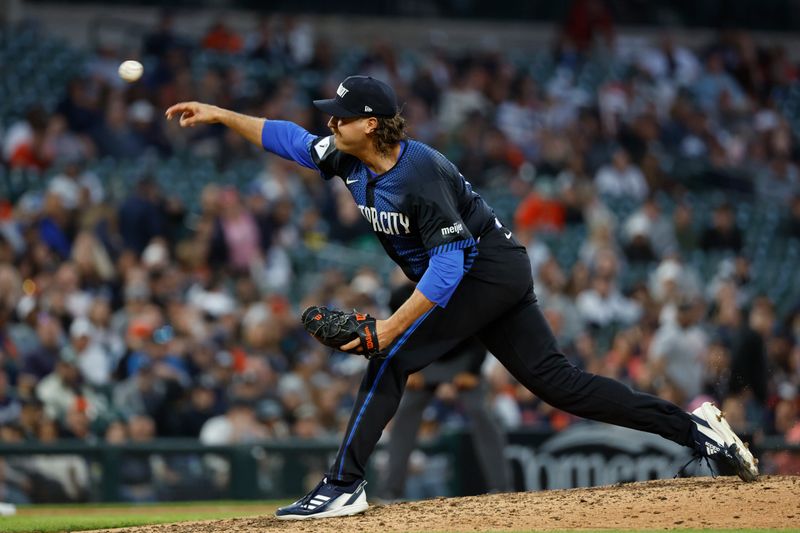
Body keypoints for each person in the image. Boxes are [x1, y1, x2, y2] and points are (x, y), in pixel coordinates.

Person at [166, 75, 759, 520]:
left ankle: (343, 484)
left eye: (341, 117)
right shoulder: (347, 157)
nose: (330, 123)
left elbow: (449, 268)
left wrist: (392, 328)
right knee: (561, 384)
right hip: (485, 273)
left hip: (484, 273)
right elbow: (288, 139)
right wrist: (220, 114)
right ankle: (699, 431)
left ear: (370, 124)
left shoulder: (416, 173)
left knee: (389, 357)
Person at [381, 282, 509, 501]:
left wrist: (472, 369)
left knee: (481, 412)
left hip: (463, 359)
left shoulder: (464, 290)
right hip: (424, 361)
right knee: (404, 414)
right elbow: (398, 334)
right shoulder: (401, 294)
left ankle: (502, 488)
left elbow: (483, 332)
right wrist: (407, 367)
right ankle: (391, 491)